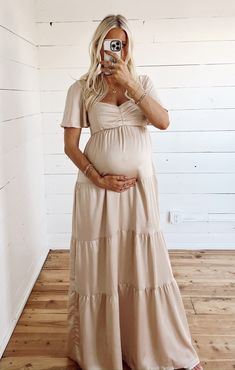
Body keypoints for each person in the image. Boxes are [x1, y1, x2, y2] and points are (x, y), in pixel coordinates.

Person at [60, 13, 203, 370]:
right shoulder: (81, 89)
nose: (115, 48)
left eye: (120, 43)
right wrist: (97, 177)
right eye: (109, 42)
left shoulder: (143, 82)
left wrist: (131, 85)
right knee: (102, 269)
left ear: (127, 47)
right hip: (97, 192)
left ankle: (151, 346)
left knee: (144, 268)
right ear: (97, 45)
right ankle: (101, 349)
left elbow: (163, 121)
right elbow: (71, 146)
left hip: (139, 194)